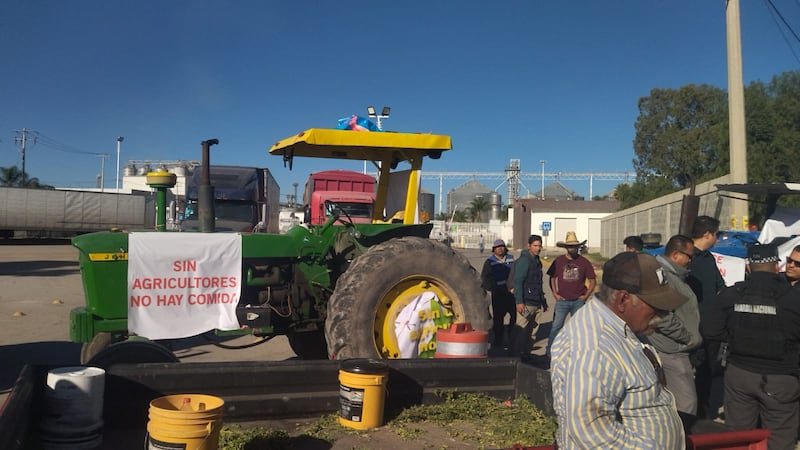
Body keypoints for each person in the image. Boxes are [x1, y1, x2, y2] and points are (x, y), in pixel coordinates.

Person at [550, 252, 688, 448]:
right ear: (623, 299)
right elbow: (592, 432)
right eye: (656, 306)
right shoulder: (594, 347)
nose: (663, 314)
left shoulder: (622, 327)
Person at [702, 243, 800, 450]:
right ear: (776, 266)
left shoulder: (731, 294)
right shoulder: (793, 299)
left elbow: (710, 331)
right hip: (781, 378)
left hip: (739, 374)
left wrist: (734, 337)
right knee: (779, 438)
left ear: (748, 267)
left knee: (738, 437)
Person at [648, 234, 702, 429]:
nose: (691, 261)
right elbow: (659, 315)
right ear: (677, 254)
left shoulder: (672, 276)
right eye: (690, 256)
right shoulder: (663, 277)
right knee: (686, 403)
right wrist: (686, 337)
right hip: (672, 349)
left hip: (672, 346)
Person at [686, 215, 726, 420]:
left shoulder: (708, 258)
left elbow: (721, 287)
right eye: (716, 235)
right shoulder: (686, 257)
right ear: (707, 234)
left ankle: (705, 413)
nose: (717, 239)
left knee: (707, 371)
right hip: (688, 327)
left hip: (709, 326)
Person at [546, 231, 596, 356]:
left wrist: (586, 296)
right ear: (566, 248)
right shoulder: (558, 261)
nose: (572, 248)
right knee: (556, 327)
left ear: (578, 247)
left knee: (579, 328)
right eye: (570, 246)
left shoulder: (584, 262)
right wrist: (555, 294)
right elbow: (552, 277)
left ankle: (577, 352)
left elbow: (593, 280)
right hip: (562, 301)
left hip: (578, 301)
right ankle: (550, 352)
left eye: (574, 246)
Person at [509, 235, 547, 357]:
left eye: (540, 246)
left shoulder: (537, 261)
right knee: (520, 330)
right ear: (529, 246)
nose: (538, 248)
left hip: (536, 303)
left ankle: (526, 355)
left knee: (532, 332)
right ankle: (514, 357)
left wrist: (543, 301)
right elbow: (518, 281)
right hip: (526, 303)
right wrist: (519, 302)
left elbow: (539, 283)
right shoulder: (524, 261)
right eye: (535, 246)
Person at [480, 239, 515, 350]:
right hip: (498, 294)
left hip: (511, 294)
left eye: (502, 246)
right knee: (498, 319)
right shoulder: (489, 262)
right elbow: (485, 279)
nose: (500, 249)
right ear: (494, 249)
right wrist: (493, 288)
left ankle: (511, 337)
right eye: (498, 247)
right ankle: (498, 340)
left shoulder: (511, 259)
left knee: (514, 317)